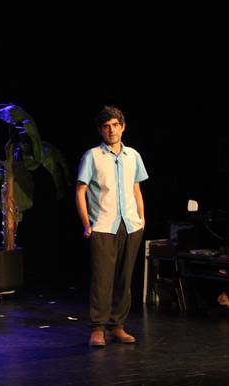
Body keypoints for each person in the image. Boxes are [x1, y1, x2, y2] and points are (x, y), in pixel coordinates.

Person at [76, 105, 148, 347]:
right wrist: (86, 224)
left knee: (124, 279)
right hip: (104, 225)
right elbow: (81, 191)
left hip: (131, 225)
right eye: (106, 126)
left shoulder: (133, 156)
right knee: (102, 279)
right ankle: (98, 328)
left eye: (116, 125)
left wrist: (142, 218)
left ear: (123, 127)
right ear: (100, 130)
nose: (112, 130)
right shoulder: (92, 156)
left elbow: (137, 189)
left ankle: (117, 326)